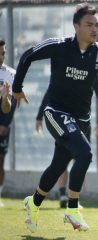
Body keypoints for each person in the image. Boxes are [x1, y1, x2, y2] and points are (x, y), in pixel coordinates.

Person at [12, 3, 98, 232]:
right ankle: (72, 209)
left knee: (59, 164)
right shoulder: (59, 46)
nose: (95, 29)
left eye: (97, 24)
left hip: (82, 119)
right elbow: (26, 56)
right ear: (76, 26)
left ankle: (34, 202)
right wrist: (17, 88)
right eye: (89, 24)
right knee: (86, 154)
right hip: (56, 113)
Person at [35, 77, 98, 208]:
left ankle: (73, 199)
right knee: (62, 162)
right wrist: (39, 116)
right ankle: (63, 194)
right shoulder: (67, 67)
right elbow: (50, 92)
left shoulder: (93, 72)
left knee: (81, 158)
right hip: (65, 121)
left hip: (84, 123)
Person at [0, 38, 16, 208]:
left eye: (3, 53)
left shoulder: (10, 74)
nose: (1, 56)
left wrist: (5, 97)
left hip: (3, 126)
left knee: (0, 161)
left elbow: (8, 107)